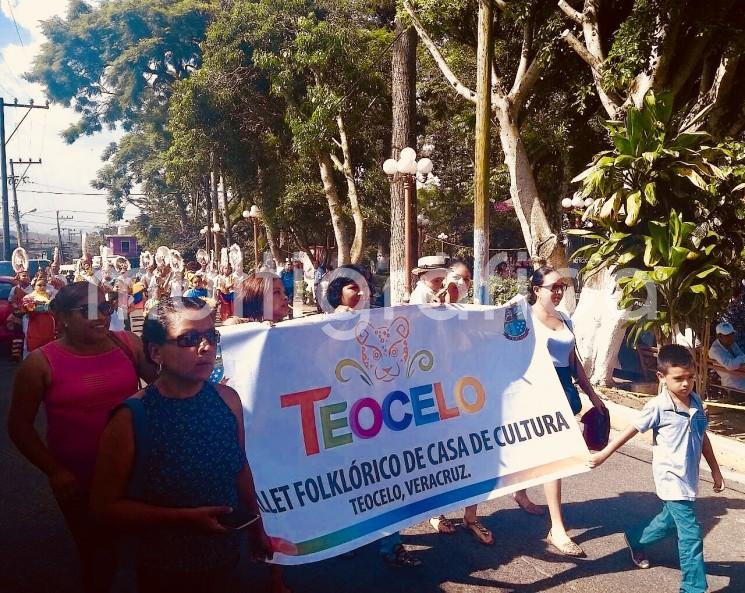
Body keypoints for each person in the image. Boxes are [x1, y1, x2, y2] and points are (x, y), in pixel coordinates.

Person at [90, 297, 274, 593]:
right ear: (155, 351)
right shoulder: (130, 418)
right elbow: (104, 508)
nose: (205, 348)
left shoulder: (228, 400)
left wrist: (256, 524)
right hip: (165, 566)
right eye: (188, 339)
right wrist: (182, 519)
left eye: (210, 336)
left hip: (226, 553)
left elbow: (239, 466)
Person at [7, 282, 155, 592]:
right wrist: (56, 472)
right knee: (97, 556)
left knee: (147, 549)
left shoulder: (127, 343)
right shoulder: (40, 363)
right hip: (78, 479)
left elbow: (163, 384)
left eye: (104, 307)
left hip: (137, 470)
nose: (100, 316)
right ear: (60, 317)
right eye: (87, 310)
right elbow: (19, 426)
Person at [589, 344, 724, 593]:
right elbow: (629, 432)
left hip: (689, 478)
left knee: (669, 521)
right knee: (691, 534)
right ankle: (693, 587)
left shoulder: (695, 401)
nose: (686, 384)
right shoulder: (658, 407)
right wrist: (604, 454)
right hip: (670, 478)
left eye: (690, 378)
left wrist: (715, 470)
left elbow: (702, 436)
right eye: (679, 379)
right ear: (661, 377)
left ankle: (636, 537)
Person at [512, 266, 607, 557]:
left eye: (561, 286)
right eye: (551, 286)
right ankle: (557, 529)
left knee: (537, 449)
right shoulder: (522, 317)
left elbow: (573, 359)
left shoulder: (565, 318)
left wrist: (592, 394)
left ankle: (519, 492)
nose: (557, 291)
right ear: (536, 289)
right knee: (554, 457)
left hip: (564, 389)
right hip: (536, 391)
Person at [224, 274, 290, 325]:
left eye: (284, 292)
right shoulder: (237, 326)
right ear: (257, 297)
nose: (285, 297)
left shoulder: (290, 329)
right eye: (276, 292)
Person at [21, 274, 56, 355]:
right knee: (32, 349)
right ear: (34, 286)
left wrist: (40, 306)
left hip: (48, 326)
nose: (42, 287)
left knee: (47, 349)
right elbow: (30, 310)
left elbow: (54, 309)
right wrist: (45, 307)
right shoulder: (28, 297)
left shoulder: (50, 297)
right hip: (33, 326)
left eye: (44, 285)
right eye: (39, 285)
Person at [708, 321, 745, 391]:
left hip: (741, 378)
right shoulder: (715, 350)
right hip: (734, 386)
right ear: (719, 336)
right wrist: (741, 360)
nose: (731, 337)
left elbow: (741, 356)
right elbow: (730, 365)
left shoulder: (731, 343)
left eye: (731, 334)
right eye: (727, 335)